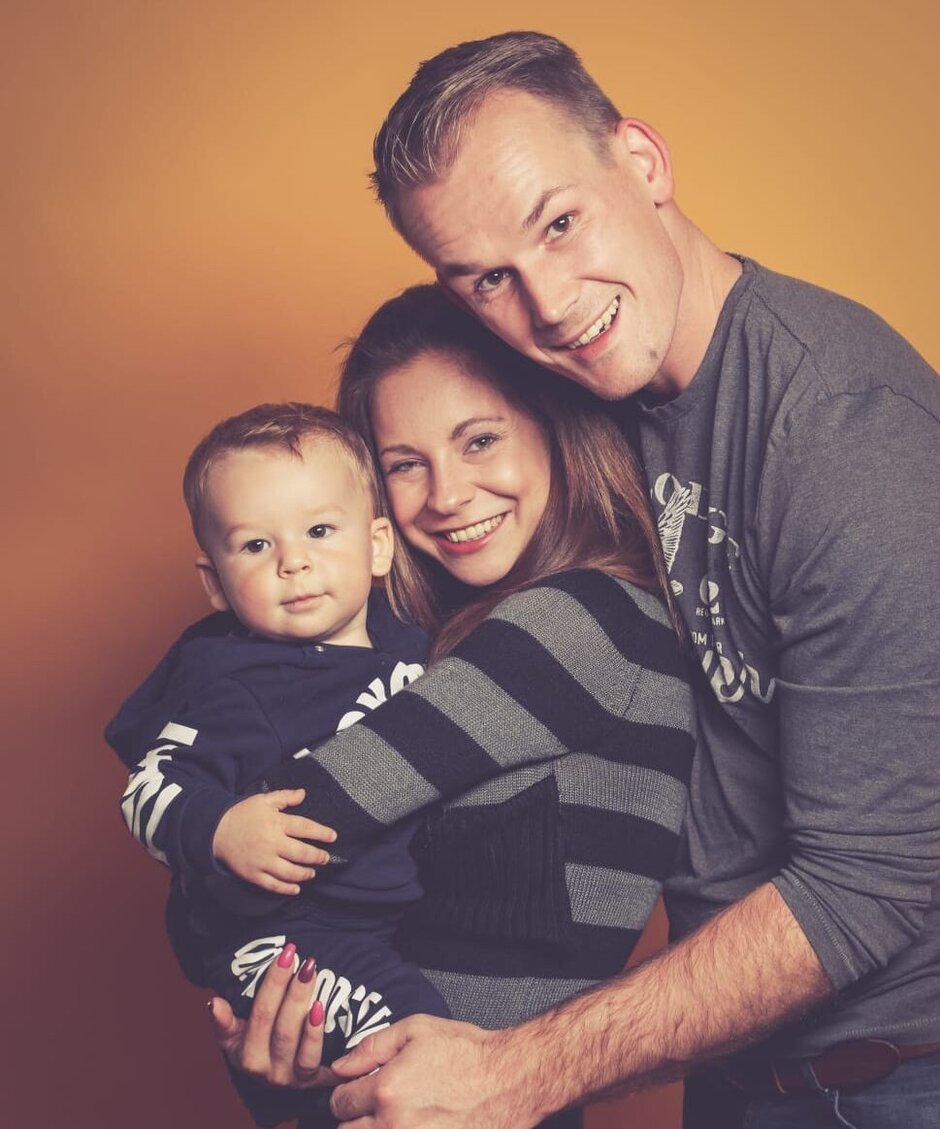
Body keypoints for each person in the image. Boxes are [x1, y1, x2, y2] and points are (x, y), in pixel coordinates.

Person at [220, 30, 940, 1129]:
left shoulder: (846, 432)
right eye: (487, 277)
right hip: (739, 1065)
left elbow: (873, 880)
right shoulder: (586, 401)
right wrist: (315, 1010)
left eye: (559, 222)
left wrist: (521, 1069)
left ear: (642, 163)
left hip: (890, 1074)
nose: (549, 303)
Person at [196, 285, 695, 1127]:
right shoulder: (450, 638)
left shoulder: (579, 619)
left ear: (552, 425)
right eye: (403, 463)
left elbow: (299, 814)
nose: (448, 493)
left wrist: (206, 865)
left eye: (480, 439)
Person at [107, 403, 450, 1127]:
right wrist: (221, 825)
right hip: (283, 937)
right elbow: (148, 785)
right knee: (421, 1048)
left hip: (379, 921)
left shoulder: (408, 641)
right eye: (256, 544)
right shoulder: (233, 684)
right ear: (214, 582)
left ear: (379, 544)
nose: (293, 560)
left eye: (320, 531)